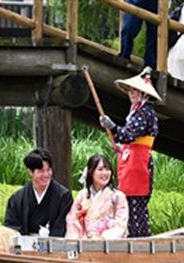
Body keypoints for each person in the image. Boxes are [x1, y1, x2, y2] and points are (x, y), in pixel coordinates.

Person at [98, 67, 160, 238]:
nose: (132, 93)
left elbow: (128, 135)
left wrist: (112, 126)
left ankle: (140, 243)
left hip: (138, 164)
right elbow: (130, 140)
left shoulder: (145, 112)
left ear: (144, 94)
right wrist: (121, 146)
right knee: (127, 205)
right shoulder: (137, 111)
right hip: (132, 159)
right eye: (130, 90)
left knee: (135, 205)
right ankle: (132, 240)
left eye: (136, 90)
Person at [3, 148, 74, 237]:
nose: (46, 175)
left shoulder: (63, 196)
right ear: (30, 172)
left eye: (48, 170)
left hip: (54, 246)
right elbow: (11, 228)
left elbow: (63, 226)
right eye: (41, 171)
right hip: (25, 246)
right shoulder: (17, 198)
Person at [66, 154, 128, 240]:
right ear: (91, 172)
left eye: (107, 169)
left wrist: (101, 238)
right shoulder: (82, 196)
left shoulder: (118, 197)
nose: (105, 173)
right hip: (84, 243)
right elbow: (72, 221)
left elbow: (121, 225)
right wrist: (77, 239)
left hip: (110, 245)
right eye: (100, 169)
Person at [118, 0, 158, 68]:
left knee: (154, 35)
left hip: (156, 3)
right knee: (129, 28)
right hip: (136, 1)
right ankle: (124, 57)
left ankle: (150, 65)